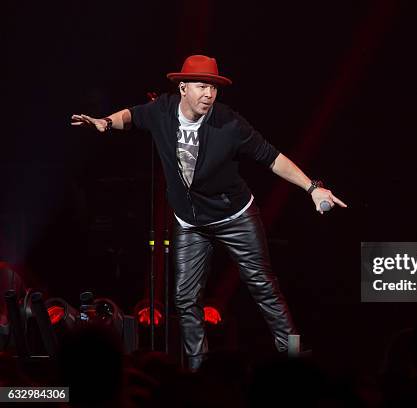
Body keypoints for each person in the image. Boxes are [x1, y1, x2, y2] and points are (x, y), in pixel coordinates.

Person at [71, 54, 347, 370]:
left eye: (213, 89)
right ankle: (196, 369)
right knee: (186, 299)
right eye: (202, 86)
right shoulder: (162, 110)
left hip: (234, 216)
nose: (209, 95)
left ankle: (295, 357)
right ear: (183, 88)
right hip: (190, 222)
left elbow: (272, 158)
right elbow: (132, 116)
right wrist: (106, 122)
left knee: (262, 285)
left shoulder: (229, 123)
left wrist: (312, 188)